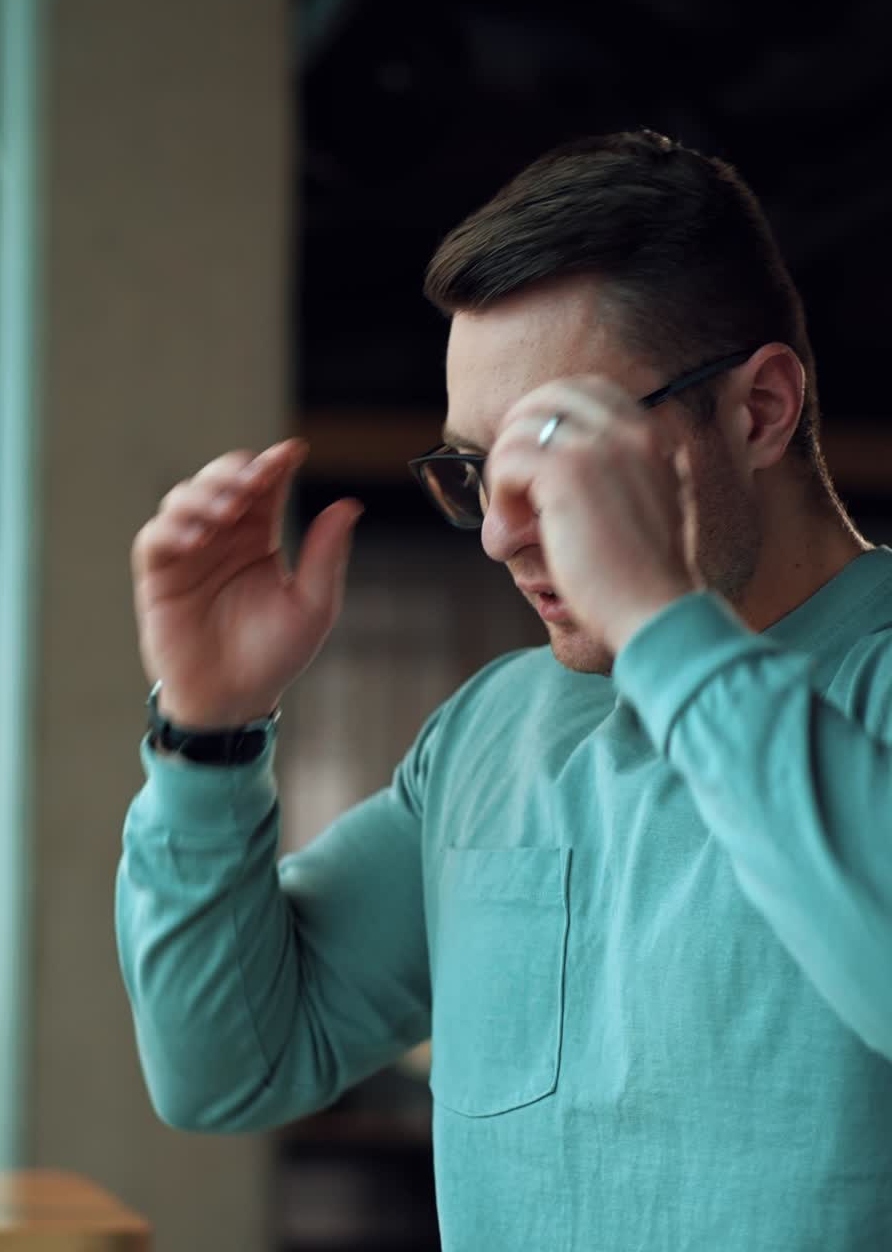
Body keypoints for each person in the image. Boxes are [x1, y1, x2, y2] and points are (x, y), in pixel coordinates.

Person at [115, 130, 892, 1249]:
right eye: (477, 469)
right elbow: (228, 1069)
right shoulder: (496, 730)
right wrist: (208, 733)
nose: (497, 532)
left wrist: (658, 619)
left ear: (758, 409)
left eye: (558, 454)